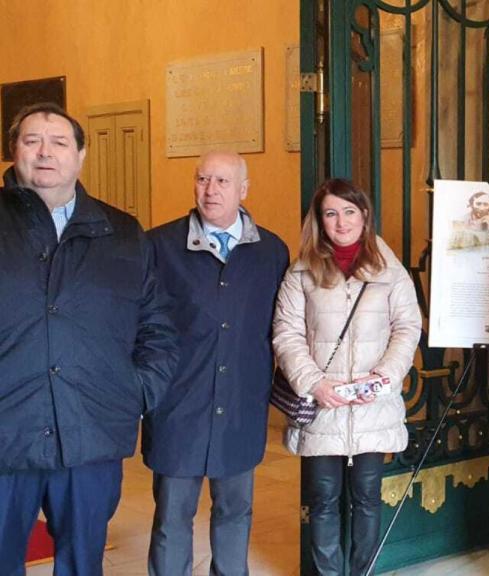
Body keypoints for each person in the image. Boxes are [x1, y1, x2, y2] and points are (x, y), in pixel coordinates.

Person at [0, 103, 178, 573]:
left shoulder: (121, 233)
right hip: (5, 429)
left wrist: (134, 394)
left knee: (83, 560)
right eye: (31, 140)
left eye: (59, 142)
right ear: (13, 151)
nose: (45, 152)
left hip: (91, 430)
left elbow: (157, 325)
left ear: (80, 156)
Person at [143, 151, 290, 574]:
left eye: (223, 182)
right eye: (203, 179)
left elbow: (283, 327)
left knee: (234, 513)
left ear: (244, 190)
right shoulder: (159, 246)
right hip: (178, 406)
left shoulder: (271, 251)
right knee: (172, 517)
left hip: (240, 407)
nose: (211, 190)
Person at [272, 178, 421, 575]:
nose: (341, 222)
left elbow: (408, 327)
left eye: (349, 212)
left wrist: (384, 378)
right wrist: (314, 383)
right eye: (331, 213)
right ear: (320, 221)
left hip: (372, 405)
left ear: (365, 215)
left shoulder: (391, 273)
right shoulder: (301, 273)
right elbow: (286, 333)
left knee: (368, 498)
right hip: (324, 405)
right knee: (322, 499)